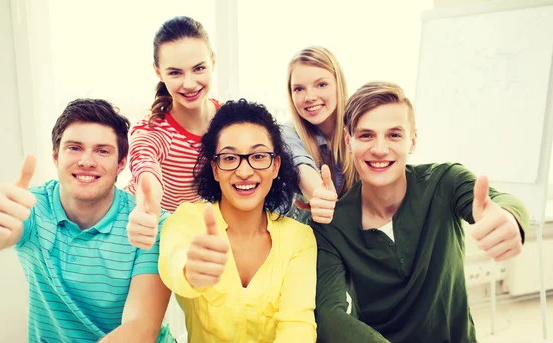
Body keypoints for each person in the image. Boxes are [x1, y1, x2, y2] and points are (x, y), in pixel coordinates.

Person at [312, 82, 528, 343]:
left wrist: (510, 217)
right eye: (367, 135)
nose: (380, 149)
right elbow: (329, 314)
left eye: (394, 135)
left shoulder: (445, 181)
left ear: (412, 141)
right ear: (349, 141)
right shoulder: (330, 225)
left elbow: (499, 201)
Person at [0, 99, 174, 342]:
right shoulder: (31, 207)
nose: (86, 161)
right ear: (55, 156)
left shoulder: (148, 223)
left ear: (121, 164)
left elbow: (140, 328)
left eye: (102, 150)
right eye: (74, 148)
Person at [157, 99, 317, 342]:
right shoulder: (188, 219)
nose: (244, 171)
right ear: (215, 168)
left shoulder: (299, 238)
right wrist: (190, 270)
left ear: (275, 166)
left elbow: (298, 328)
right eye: (230, 158)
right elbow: (173, 259)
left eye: (259, 156)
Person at [125, 16, 221, 251]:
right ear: (158, 72)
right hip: (142, 229)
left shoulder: (229, 121)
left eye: (198, 68)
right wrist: (148, 204)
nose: (189, 83)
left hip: (189, 233)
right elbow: (145, 165)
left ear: (213, 62)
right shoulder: (152, 130)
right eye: (176, 73)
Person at [281, 46, 353, 224]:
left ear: (338, 85)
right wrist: (319, 194)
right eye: (299, 89)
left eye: (321, 85)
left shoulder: (359, 128)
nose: (309, 97)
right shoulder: (286, 132)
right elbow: (300, 166)